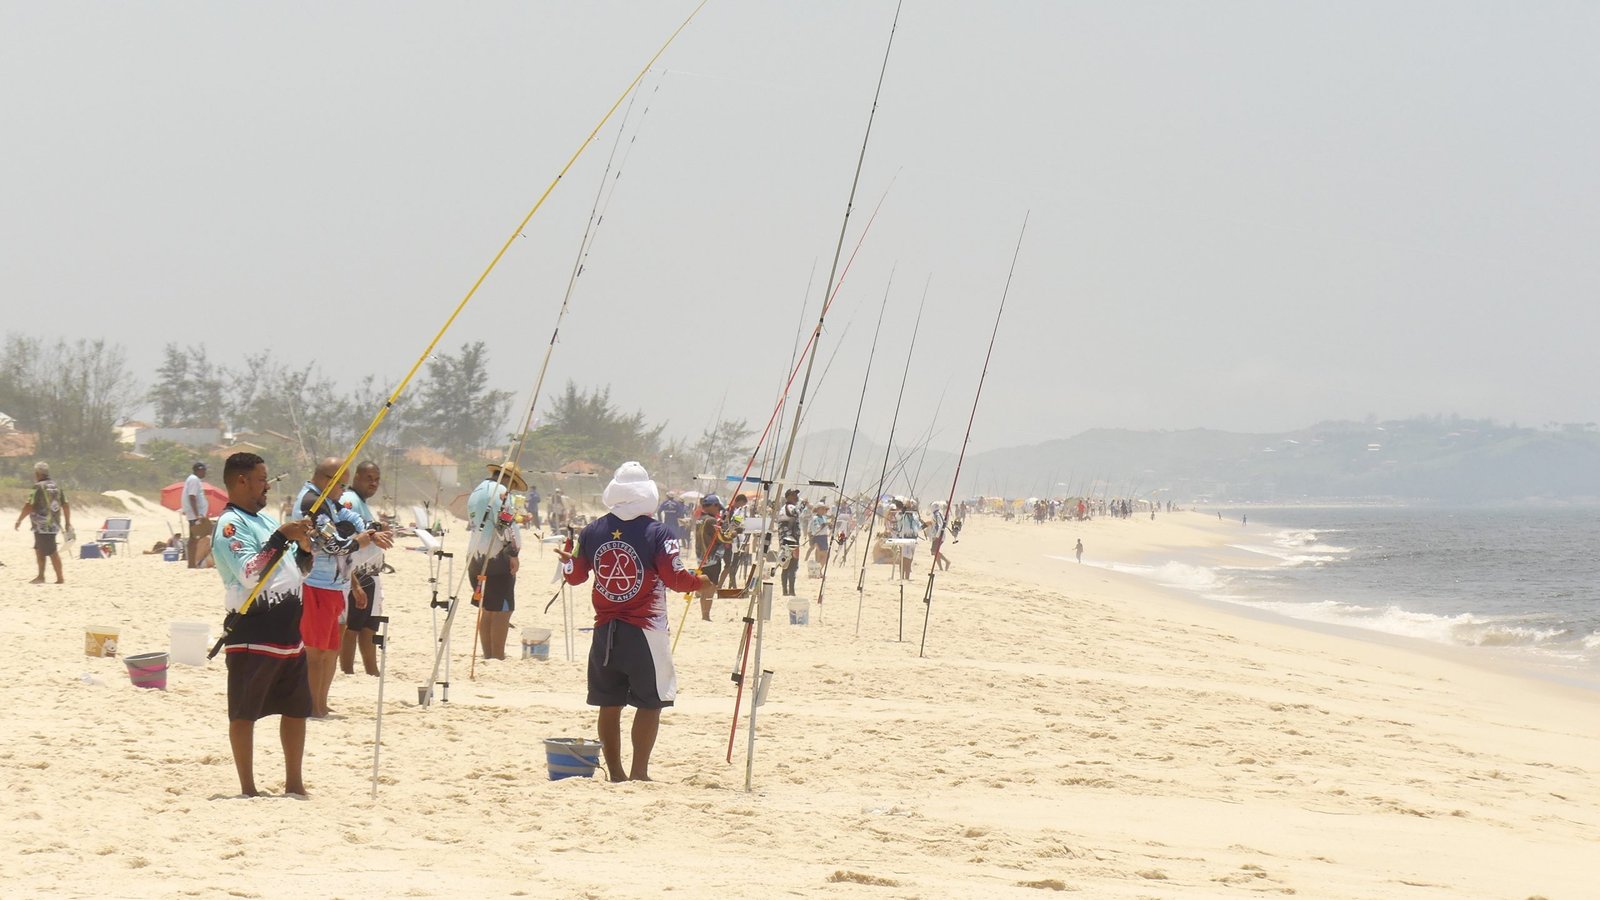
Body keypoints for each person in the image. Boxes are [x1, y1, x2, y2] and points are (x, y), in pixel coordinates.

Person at [558, 462, 710, 782]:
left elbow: (575, 577)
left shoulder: (592, 530)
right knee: (650, 702)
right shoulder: (658, 532)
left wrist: (569, 564)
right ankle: (639, 773)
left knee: (609, 703)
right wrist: (702, 582)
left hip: (604, 631)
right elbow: (676, 579)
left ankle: (615, 773)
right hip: (646, 630)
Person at [212, 452, 314, 797]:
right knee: (244, 712)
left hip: (289, 633)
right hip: (253, 632)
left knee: (297, 709)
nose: (266, 486)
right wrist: (280, 537)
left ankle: (294, 784)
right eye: (261, 479)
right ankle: (248, 788)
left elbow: (299, 572)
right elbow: (250, 572)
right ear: (241, 481)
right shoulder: (230, 525)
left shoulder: (267, 520)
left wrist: (302, 546)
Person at [294, 458, 378, 718]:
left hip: (334, 584)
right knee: (315, 651)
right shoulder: (312, 502)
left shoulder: (331, 502)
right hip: (314, 584)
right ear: (328, 480)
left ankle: (321, 701)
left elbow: (351, 519)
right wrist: (358, 542)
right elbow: (332, 544)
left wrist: (373, 531)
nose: (345, 489)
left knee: (330, 650)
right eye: (342, 484)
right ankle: (311, 704)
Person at [467, 461, 525, 661]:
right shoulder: (501, 493)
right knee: (503, 610)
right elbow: (505, 525)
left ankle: (488, 654)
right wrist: (514, 554)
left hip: (474, 556)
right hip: (496, 558)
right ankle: (497, 656)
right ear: (509, 479)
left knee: (488, 608)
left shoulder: (477, 490)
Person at [339, 460, 393, 676]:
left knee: (370, 627)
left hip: (372, 574)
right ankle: (348, 672)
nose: (374, 483)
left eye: (377, 479)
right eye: (369, 478)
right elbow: (348, 535)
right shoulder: (349, 500)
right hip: (357, 573)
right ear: (357, 477)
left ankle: (372, 672)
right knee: (352, 628)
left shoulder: (361, 503)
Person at [14, 461, 71, 584]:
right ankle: (41, 576)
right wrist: (67, 522)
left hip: (42, 525)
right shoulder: (56, 486)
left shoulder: (38, 487)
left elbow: (29, 505)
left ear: (38, 473)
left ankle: (59, 578)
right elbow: (65, 505)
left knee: (51, 551)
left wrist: (19, 520)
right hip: (54, 524)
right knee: (39, 549)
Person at [694, 495, 731, 621]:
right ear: (713, 505)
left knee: (704, 587)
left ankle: (704, 614)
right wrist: (734, 533)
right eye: (718, 508)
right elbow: (723, 538)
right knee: (710, 588)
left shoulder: (700, 519)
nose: (718, 511)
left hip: (701, 558)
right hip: (712, 559)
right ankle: (706, 615)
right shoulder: (711, 521)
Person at [183, 461, 214, 568]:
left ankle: (192, 563)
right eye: (204, 470)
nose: (205, 472)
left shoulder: (194, 480)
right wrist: (197, 516)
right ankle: (193, 563)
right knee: (198, 538)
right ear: (199, 470)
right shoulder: (194, 480)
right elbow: (192, 497)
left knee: (194, 539)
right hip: (196, 516)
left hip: (196, 515)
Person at [775, 488, 801, 597]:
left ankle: (785, 591)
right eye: (794, 495)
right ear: (789, 496)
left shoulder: (782, 509)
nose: (796, 497)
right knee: (792, 566)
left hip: (784, 541)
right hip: (791, 541)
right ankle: (791, 591)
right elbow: (796, 513)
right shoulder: (790, 507)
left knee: (785, 565)